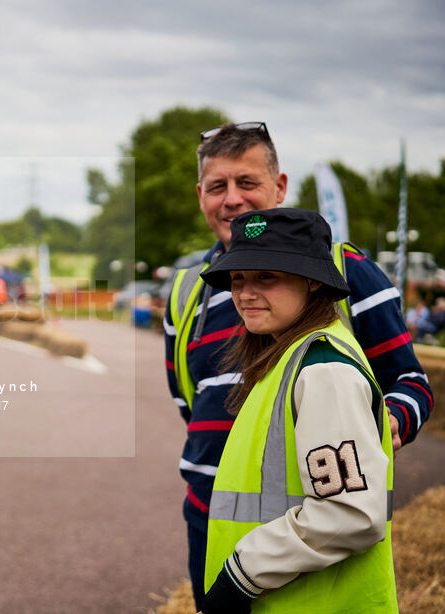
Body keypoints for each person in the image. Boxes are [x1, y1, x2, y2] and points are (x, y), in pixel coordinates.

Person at [163, 122, 433, 609]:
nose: (232, 200)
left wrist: (380, 420)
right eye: (218, 186)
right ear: (200, 194)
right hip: (212, 516)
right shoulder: (187, 290)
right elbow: (190, 401)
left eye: (247, 183)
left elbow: (409, 381)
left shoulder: (346, 274)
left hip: (300, 528)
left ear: (280, 186)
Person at [197, 208, 396, 612]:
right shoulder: (291, 357)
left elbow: (351, 513)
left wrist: (242, 574)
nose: (245, 293)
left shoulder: (324, 369)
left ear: (311, 281)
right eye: (237, 279)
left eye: (266, 276)